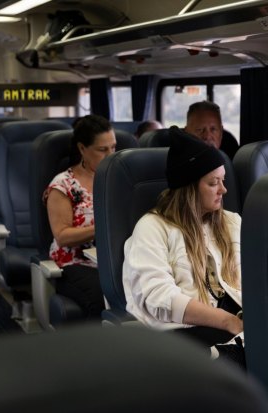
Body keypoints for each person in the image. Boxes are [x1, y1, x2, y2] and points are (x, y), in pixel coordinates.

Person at [123, 126, 243, 354]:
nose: (224, 190)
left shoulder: (232, 223)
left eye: (223, 180)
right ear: (189, 188)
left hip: (238, 323)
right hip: (187, 330)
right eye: (213, 183)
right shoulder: (153, 228)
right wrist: (227, 321)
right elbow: (158, 297)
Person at [44, 114, 116, 320]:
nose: (110, 155)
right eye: (103, 150)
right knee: (102, 298)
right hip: (75, 264)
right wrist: (103, 227)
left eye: (114, 148)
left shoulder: (119, 178)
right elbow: (63, 236)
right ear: (82, 149)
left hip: (114, 260)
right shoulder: (63, 185)